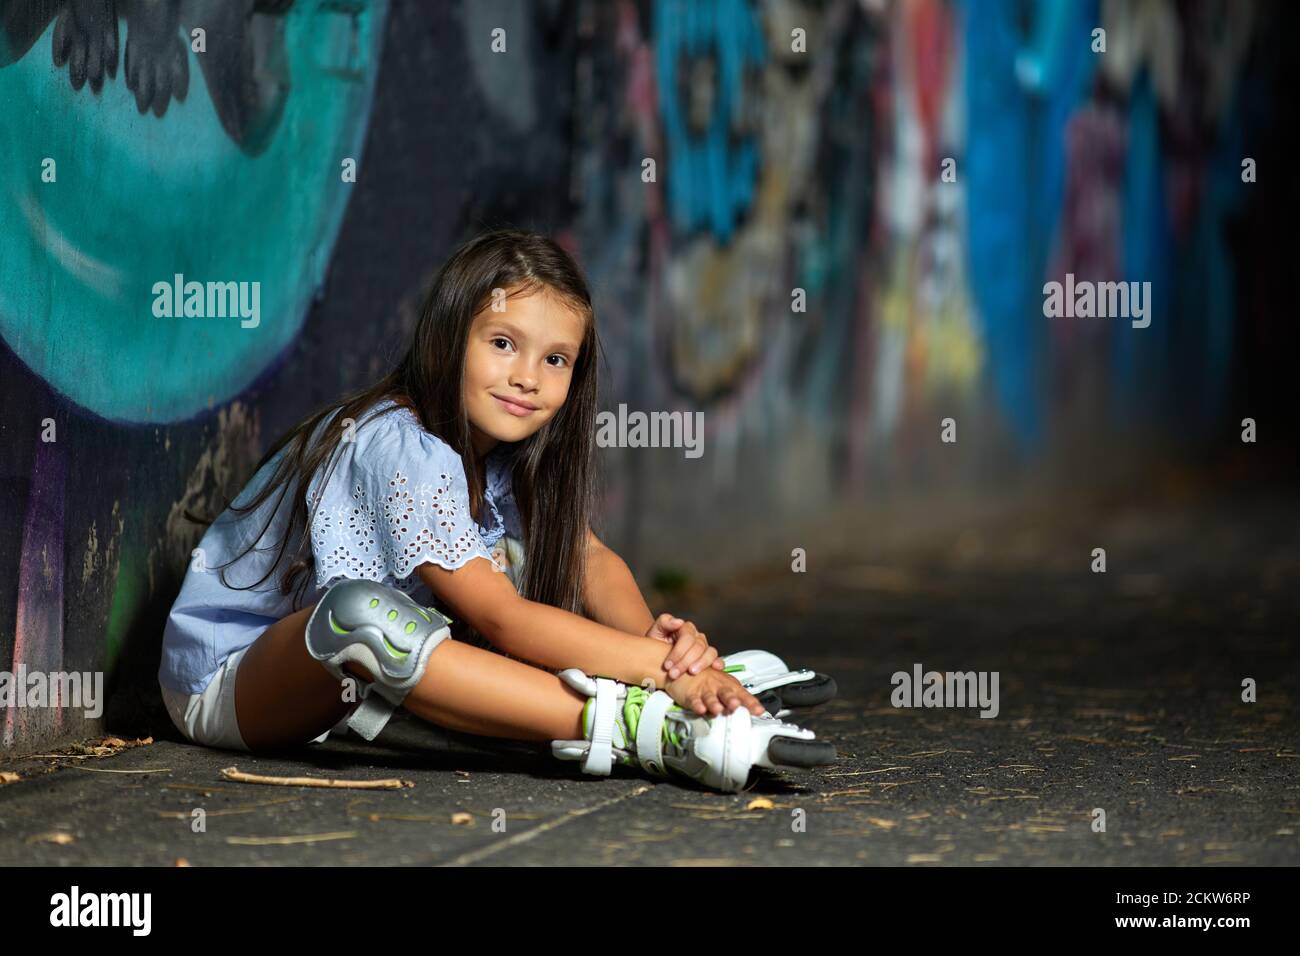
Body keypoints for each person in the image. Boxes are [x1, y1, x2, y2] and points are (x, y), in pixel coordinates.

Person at [158, 228, 833, 793]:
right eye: (503, 343)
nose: (528, 377)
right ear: (449, 337)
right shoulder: (396, 443)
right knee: (361, 618)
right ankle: (638, 726)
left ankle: (652, 706)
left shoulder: (507, 454)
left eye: (557, 358)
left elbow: (587, 557)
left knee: (487, 581)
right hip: (232, 681)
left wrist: (665, 656)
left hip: (354, 696)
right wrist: (655, 676)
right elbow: (498, 617)